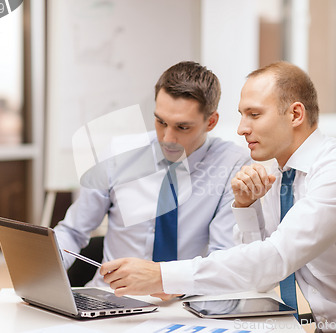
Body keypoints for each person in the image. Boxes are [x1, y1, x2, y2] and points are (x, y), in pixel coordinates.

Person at [99, 61, 336, 331]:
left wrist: (161, 275)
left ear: (295, 115)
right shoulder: (279, 175)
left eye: (254, 114)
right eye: (241, 115)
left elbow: (275, 258)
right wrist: (246, 208)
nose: (242, 128)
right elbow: (264, 277)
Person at [55, 61, 251, 291]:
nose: (167, 138)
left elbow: (223, 258)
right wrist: (41, 273)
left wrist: (171, 281)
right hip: (110, 298)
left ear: (211, 122)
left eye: (182, 127)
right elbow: (72, 231)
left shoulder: (232, 165)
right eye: (161, 122)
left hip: (186, 302)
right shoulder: (118, 154)